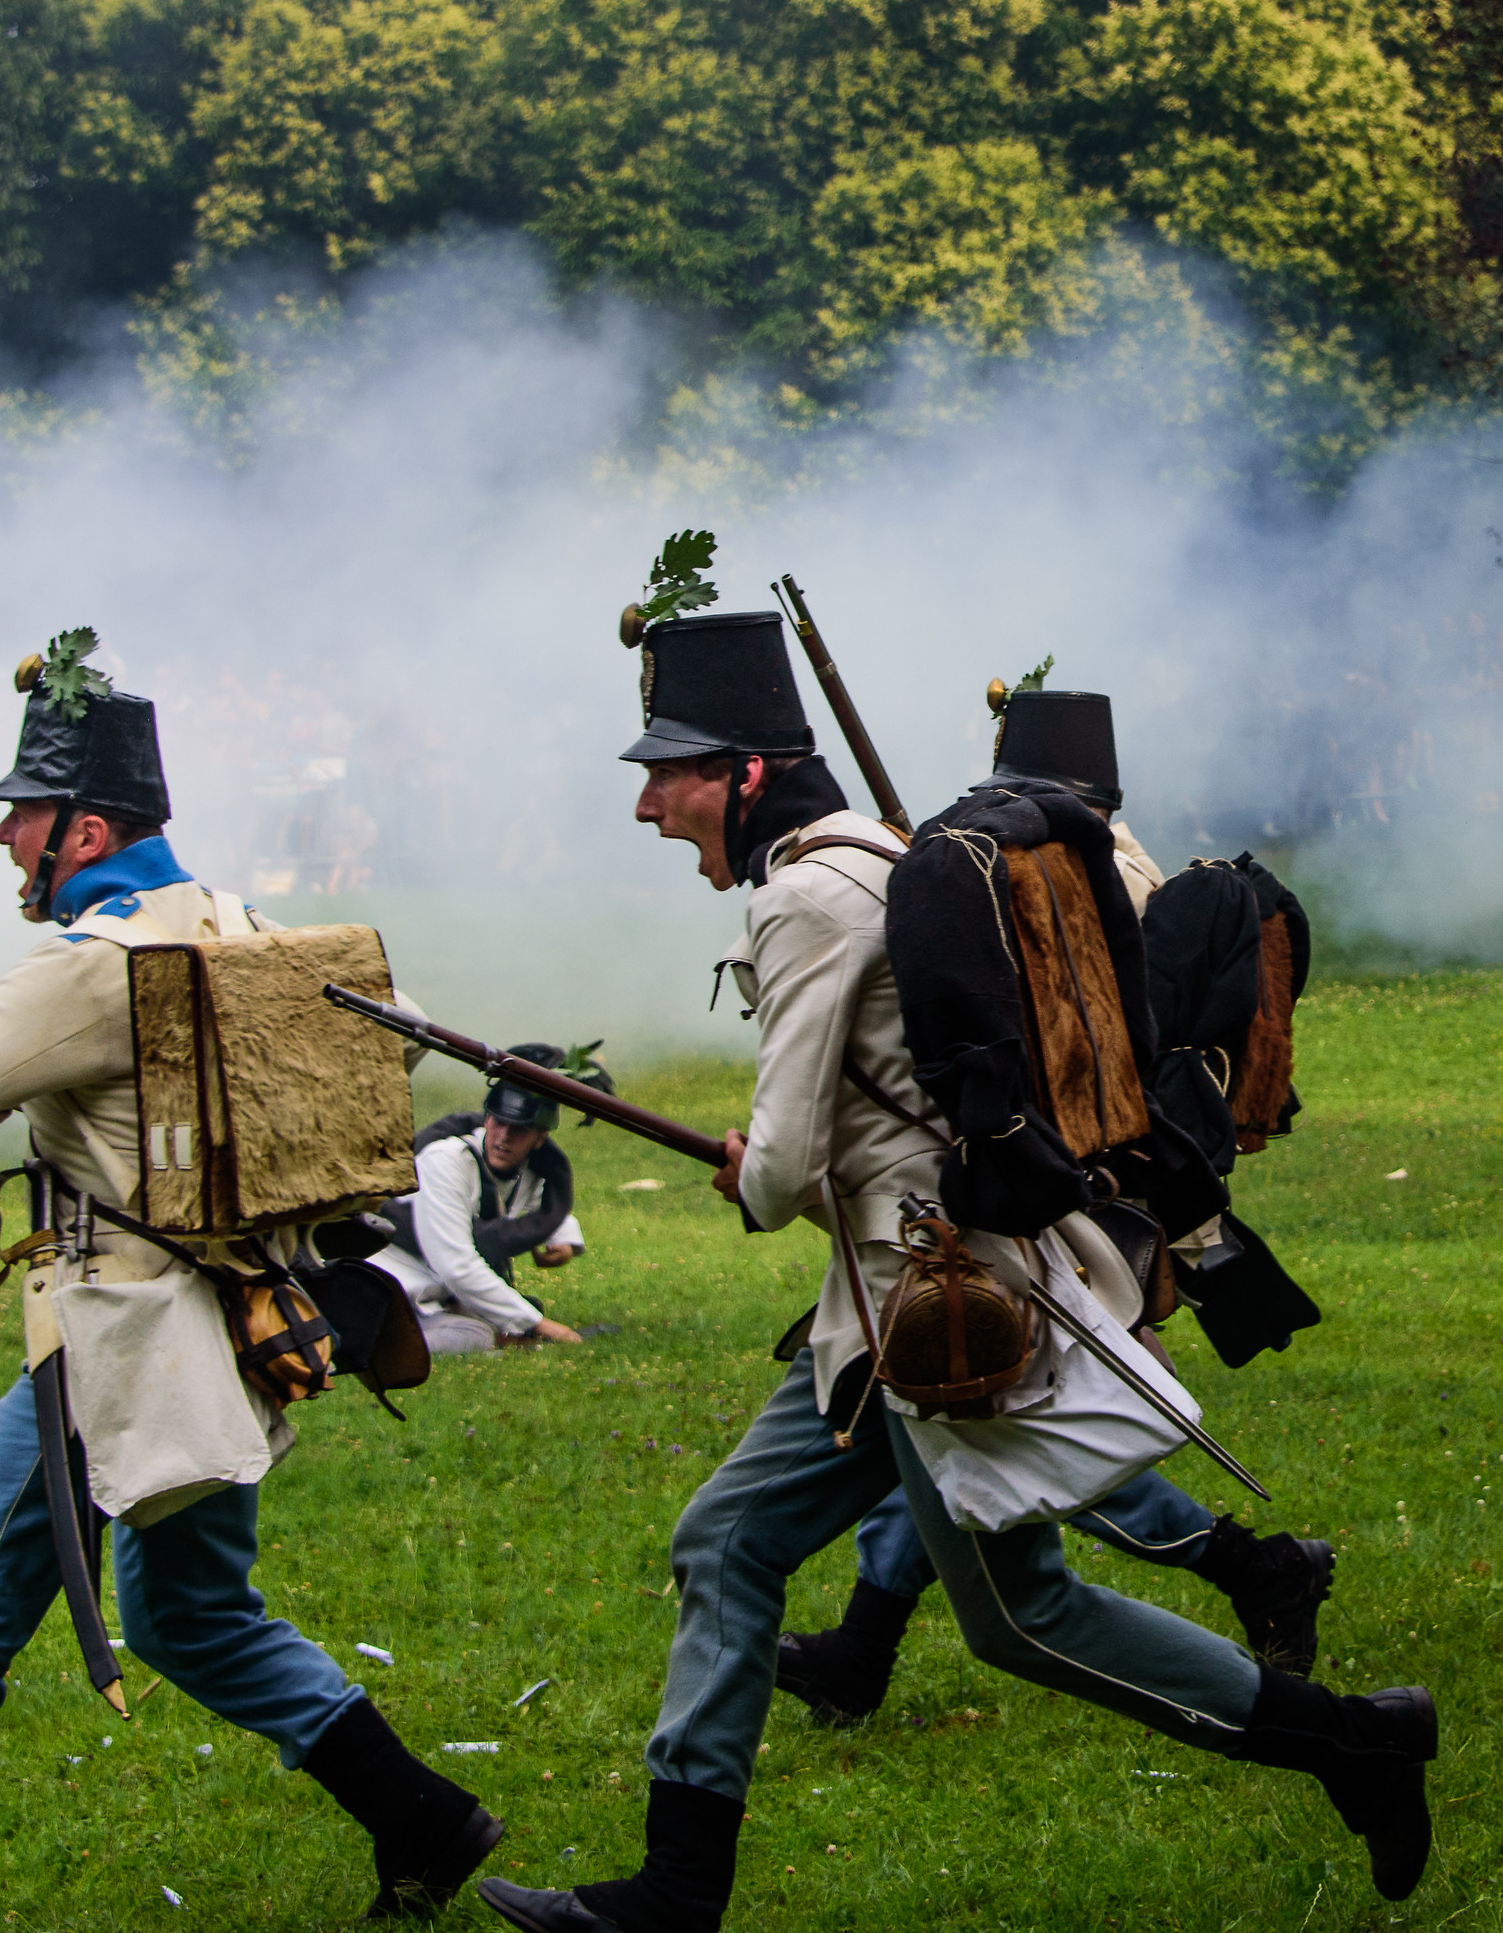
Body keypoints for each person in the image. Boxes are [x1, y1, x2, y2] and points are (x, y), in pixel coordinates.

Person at [475, 604, 1435, 1933]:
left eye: (669, 770)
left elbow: (783, 1166)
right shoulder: (874, 855)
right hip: (887, 1307)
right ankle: (677, 1893)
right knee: (727, 1540)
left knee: (1021, 1622)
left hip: (935, 1309)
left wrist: (748, 1166)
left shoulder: (807, 897)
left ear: (746, 771)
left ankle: (1352, 1744)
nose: (648, 804)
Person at [0, 638, 502, 1933]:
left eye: (27, 813)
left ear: (89, 825)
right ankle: (424, 1820)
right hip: (235, 1326)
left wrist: (20, 1068)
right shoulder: (241, 926)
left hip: (120, 1343)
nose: (8, 836)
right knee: (191, 1618)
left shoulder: (90, 962)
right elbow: (383, 1049)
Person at [776, 685, 1333, 1725]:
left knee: (1025, 1423)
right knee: (940, 1423)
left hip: (1072, 1196)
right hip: (1034, 1185)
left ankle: (1255, 1568)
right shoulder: (1070, 860)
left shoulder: (1093, 874)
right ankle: (862, 1645)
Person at [376, 1048, 599, 1352]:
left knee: (497, 1322)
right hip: (395, 1291)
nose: (503, 1137)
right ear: (487, 1119)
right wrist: (538, 1324)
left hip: (440, 1293)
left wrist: (563, 1237)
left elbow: (535, 1199)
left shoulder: (529, 1169)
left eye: (519, 1129)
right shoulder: (446, 1161)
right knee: (477, 1336)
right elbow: (456, 1265)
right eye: (498, 1122)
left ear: (540, 1137)